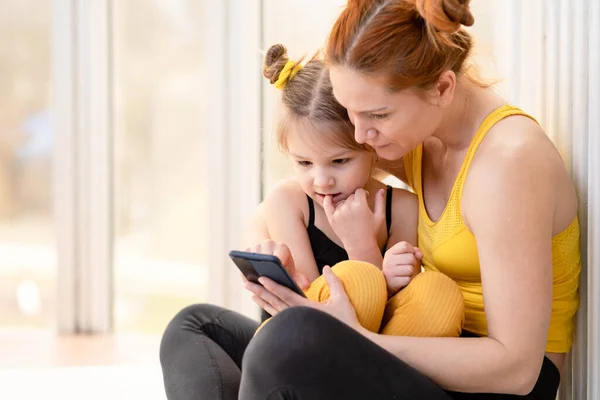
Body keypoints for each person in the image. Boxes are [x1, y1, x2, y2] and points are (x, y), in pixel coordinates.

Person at [240, 0, 581, 399]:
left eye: (376, 115)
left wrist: (354, 337)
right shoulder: (417, 136)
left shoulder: (508, 164)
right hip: (417, 346)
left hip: (489, 386)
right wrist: (264, 241)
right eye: (351, 111)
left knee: (283, 343)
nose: (360, 133)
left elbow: (516, 370)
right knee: (198, 327)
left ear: (442, 87)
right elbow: (311, 180)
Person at [159, 42, 464, 400]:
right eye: (304, 163)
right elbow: (305, 314)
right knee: (192, 322)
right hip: (290, 353)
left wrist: (367, 251)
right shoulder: (290, 202)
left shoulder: (402, 206)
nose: (321, 181)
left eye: (339, 162)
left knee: (433, 294)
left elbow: (380, 318)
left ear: (370, 147)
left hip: (365, 362)